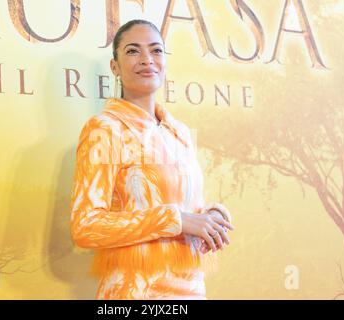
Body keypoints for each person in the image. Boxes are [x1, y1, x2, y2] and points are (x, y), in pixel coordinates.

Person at [69, 19, 234, 300]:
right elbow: (85, 226)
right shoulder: (105, 128)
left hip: (191, 289)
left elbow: (188, 210)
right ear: (115, 67)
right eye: (133, 51)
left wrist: (210, 218)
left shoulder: (179, 132)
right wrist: (176, 219)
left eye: (156, 50)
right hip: (135, 291)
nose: (147, 60)